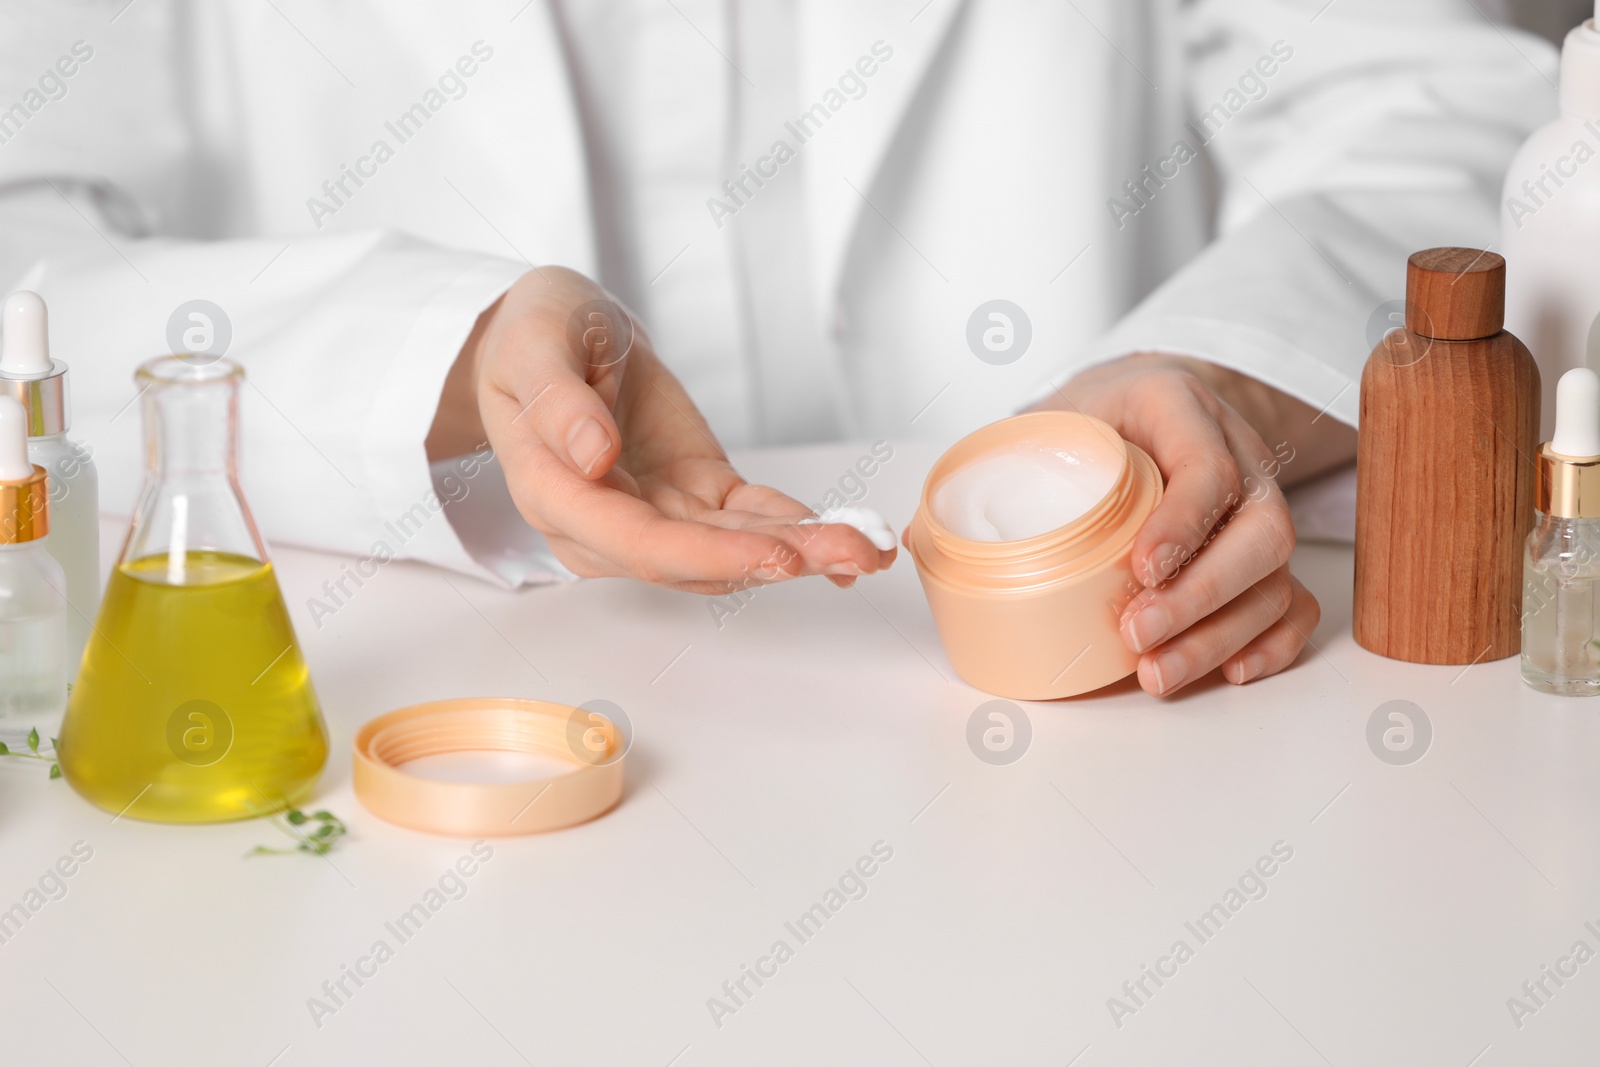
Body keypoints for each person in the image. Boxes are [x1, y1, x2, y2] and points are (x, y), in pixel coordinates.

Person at [0, 1, 1559, 695]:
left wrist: (1223, 376)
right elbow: (23, 252)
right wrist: (430, 352)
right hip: (441, 694)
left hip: (1094, 725)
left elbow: (1430, 112)